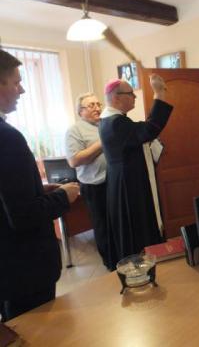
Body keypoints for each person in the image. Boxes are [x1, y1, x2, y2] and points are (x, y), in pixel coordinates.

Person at [0, 50, 80, 321]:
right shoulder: (7, 138)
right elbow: (23, 216)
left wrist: (40, 191)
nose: (21, 90)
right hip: (23, 268)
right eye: (15, 82)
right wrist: (64, 197)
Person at [99, 75, 173, 268]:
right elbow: (149, 129)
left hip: (123, 181)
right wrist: (159, 93)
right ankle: (140, 269)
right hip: (128, 185)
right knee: (136, 230)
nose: (135, 97)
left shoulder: (113, 120)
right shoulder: (115, 122)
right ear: (116, 98)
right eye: (130, 94)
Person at [65, 93, 111, 270]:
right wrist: (102, 142)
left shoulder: (106, 124)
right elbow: (74, 160)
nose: (97, 108)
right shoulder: (75, 131)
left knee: (118, 222)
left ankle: (123, 258)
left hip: (114, 182)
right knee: (103, 227)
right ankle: (110, 265)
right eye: (91, 105)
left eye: (98, 104)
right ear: (80, 111)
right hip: (94, 187)